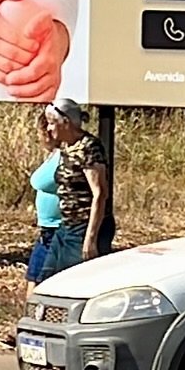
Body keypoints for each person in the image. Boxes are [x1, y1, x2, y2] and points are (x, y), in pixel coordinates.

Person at [40, 97, 110, 278]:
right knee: (46, 278)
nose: (49, 128)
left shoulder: (89, 147)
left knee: (73, 280)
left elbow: (100, 193)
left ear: (66, 122)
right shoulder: (66, 147)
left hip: (83, 227)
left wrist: (90, 238)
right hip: (66, 226)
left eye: (52, 123)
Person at [25, 118, 61, 297]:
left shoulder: (64, 157)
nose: (38, 138)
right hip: (47, 229)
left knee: (41, 278)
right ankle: (30, 310)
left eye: (39, 133)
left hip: (57, 229)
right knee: (33, 275)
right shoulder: (52, 156)